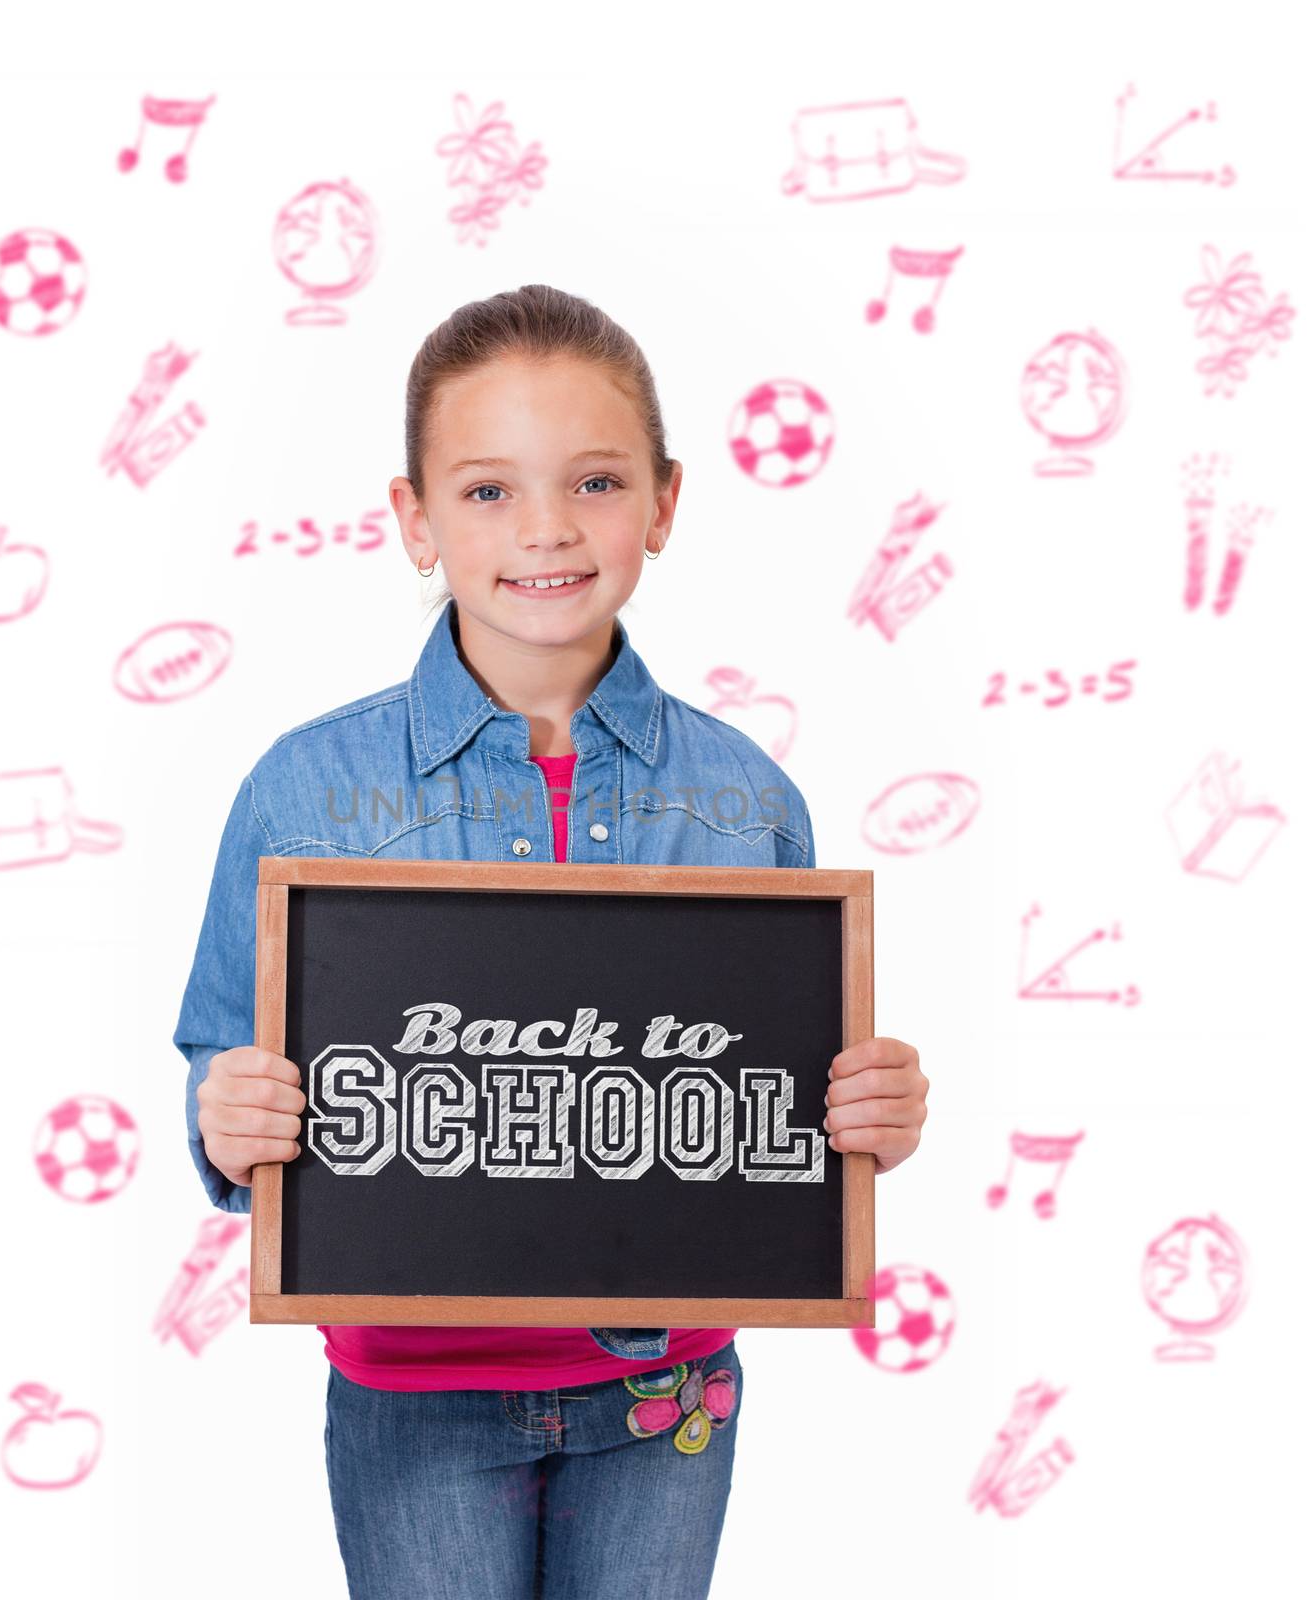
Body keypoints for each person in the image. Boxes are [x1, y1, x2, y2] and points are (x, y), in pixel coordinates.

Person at [172, 283, 931, 1599]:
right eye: (484, 492)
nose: (544, 531)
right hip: (413, 1401)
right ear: (411, 518)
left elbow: (788, 1095)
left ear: (664, 502)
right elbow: (226, 1052)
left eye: (592, 481)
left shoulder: (747, 798)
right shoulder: (302, 790)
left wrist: (868, 1117)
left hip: (665, 1398)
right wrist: (225, 1114)